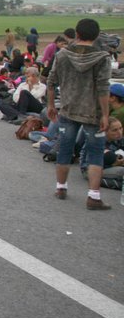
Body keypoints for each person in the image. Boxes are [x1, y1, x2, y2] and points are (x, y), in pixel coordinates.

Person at [46, 18, 112, 210]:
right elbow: (103, 89)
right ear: (97, 35)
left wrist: (51, 105)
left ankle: (61, 187)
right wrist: (106, 114)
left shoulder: (63, 55)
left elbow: (51, 81)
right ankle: (93, 195)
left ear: (77, 34)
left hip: (68, 108)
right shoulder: (102, 58)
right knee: (95, 154)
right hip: (93, 112)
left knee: (65, 149)